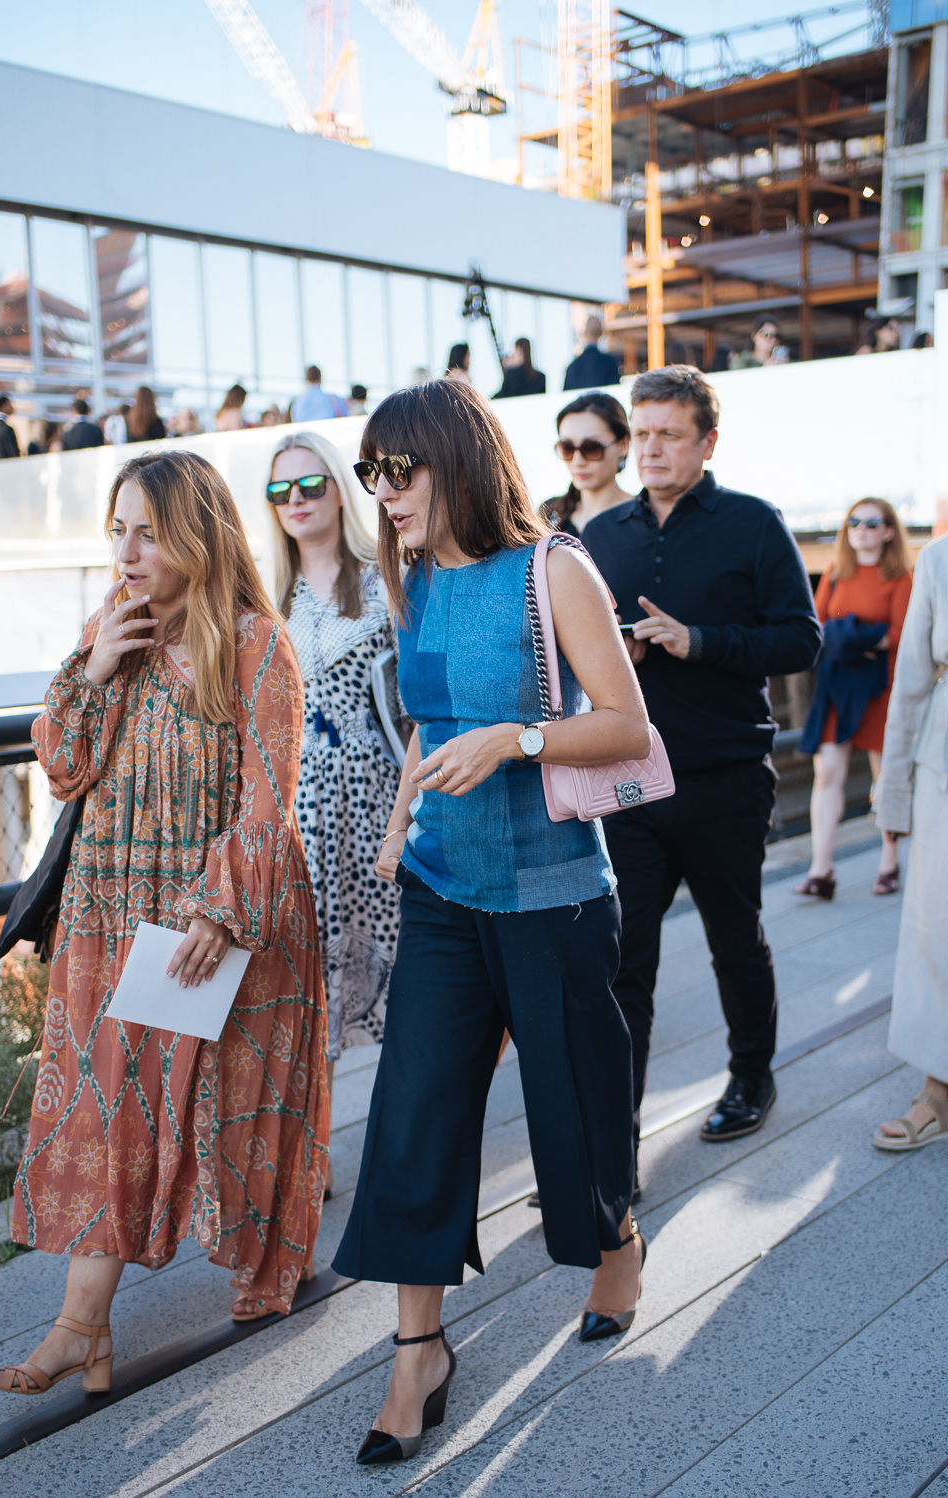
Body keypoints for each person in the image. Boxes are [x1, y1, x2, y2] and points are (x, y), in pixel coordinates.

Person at [331, 380, 650, 1466]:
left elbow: (622, 724)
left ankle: (614, 1238)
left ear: (454, 459)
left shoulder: (552, 568)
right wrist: (395, 818)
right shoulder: (410, 579)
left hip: (551, 891)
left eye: (395, 470)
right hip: (437, 886)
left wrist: (516, 740)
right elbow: (426, 718)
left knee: (573, 1112)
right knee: (414, 1114)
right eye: (370, 474)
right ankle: (416, 1349)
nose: (381, 493)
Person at [0, 449, 328, 1396]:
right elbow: (61, 765)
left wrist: (220, 908)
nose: (127, 552)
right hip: (106, 916)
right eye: (118, 531)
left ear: (198, 534)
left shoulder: (257, 644)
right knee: (105, 1113)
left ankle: (270, 1267)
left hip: (214, 916)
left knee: (229, 1108)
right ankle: (76, 1330)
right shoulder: (113, 629)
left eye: (148, 531)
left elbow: (270, 800)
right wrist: (95, 667)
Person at [580, 366, 821, 1169]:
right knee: (626, 964)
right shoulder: (601, 536)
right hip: (629, 783)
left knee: (735, 941)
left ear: (706, 442)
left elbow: (800, 639)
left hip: (724, 778)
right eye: (640, 433)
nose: (649, 448)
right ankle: (617, 1137)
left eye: (667, 434)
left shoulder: (755, 523)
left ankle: (752, 1078)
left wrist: (699, 640)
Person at [266, 430, 401, 1191]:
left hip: (380, 791)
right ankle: (310, 1155)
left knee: (396, 962)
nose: (297, 502)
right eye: (280, 491)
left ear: (337, 490)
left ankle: (408, 1144)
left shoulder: (384, 579)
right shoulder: (265, 596)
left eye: (310, 485)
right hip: (299, 809)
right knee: (307, 977)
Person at [871, 533, 948, 1152]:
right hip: (943, 765)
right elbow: (913, 683)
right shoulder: (940, 559)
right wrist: (893, 794)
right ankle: (938, 1090)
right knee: (936, 926)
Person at [796, 499, 913, 900]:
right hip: (838, 684)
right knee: (827, 772)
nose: (861, 528)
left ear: (888, 531)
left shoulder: (900, 578)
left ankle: (889, 862)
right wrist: (859, 639)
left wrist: (849, 638)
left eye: (871, 522)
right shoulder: (835, 572)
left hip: (880, 688)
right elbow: (817, 624)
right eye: (854, 522)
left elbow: (900, 633)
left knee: (886, 779)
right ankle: (821, 869)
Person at [540, 392, 632, 535]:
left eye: (591, 448)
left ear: (623, 445)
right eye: (567, 448)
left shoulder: (642, 518)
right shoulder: (548, 514)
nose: (577, 462)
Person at [563, 315, 621, 391]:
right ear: (601, 332)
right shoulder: (610, 362)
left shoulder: (572, 367)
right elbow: (615, 391)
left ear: (584, 333)